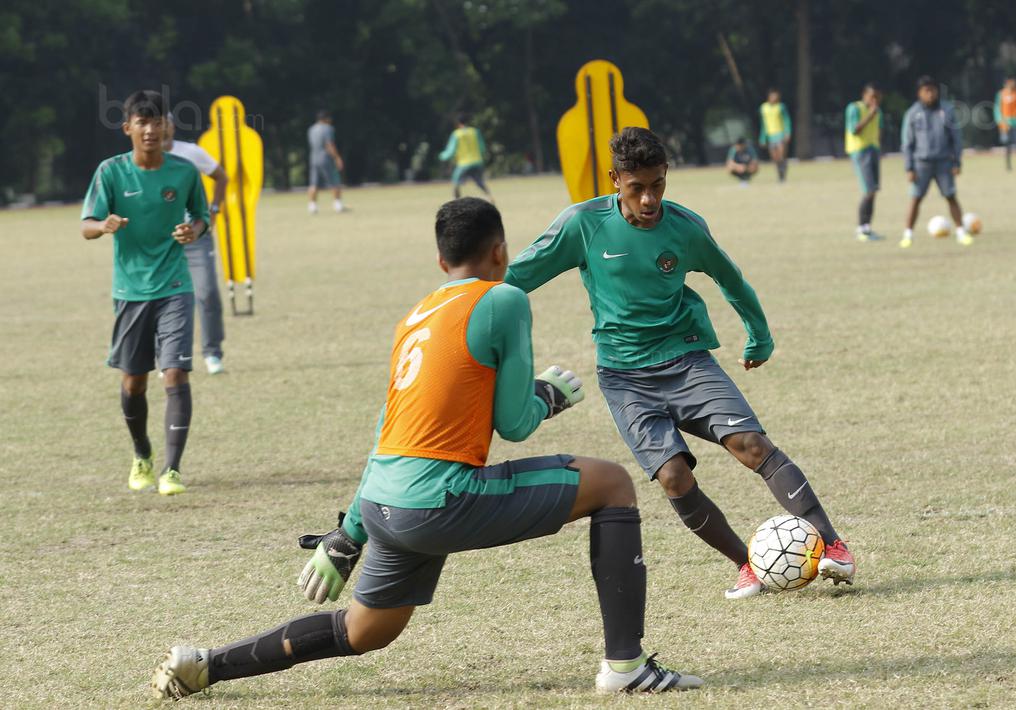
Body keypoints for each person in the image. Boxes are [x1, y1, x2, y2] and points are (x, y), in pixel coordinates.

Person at [150, 198, 702, 699]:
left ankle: (208, 664)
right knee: (613, 484)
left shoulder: (412, 317)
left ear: (441, 262)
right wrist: (548, 396)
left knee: (366, 631)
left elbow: (387, 434)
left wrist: (350, 534)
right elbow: (514, 423)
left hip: (386, 503)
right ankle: (627, 668)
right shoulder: (504, 298)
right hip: (439, 498)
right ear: (501, 251)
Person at [503, 127, 856, 601]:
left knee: (750, 444)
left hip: (686, 361)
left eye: (658, 185)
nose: (650, 199)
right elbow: (516, 277)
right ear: (615, 180)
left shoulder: (685, 227)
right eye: (637, 188)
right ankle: (747, 567)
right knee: (672, 477)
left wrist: (760, 335)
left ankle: (833, 544)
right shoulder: (582, 225)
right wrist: (469, 309)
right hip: (624, 378)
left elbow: (730, 278)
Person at [80, 90, 209, 496]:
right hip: (131, 290)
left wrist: (194, 230)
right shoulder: (111, 172)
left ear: (168, 127)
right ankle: (142, 455)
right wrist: (104, 226)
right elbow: (86, 224)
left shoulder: (184, 172)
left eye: (158, 122)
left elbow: (203, 217)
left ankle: (172, 470)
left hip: (175, 285)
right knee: (134, 382)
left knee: (175, 372)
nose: (151, 130)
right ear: (128, 129)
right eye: (143, 122)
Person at [162, 116, 228, 375]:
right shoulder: (143, 158)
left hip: (196, 236)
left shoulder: (189, 152)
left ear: (172, 126)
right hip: (162, 241)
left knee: (207, 292)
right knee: (164, 300)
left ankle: (212, 352)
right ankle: (168, 355)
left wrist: (213, 209)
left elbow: (221, 176)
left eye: (164, 122)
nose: (160, 128)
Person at [900, 76, 972, 248]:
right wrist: (909, 167)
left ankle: (961, 232)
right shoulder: (912, 113)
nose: (930, 94)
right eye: (926, 91)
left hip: (943, 162)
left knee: (951, 196)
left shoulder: (946, 110)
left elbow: (956, 138)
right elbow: (907, 143)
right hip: (921, 163)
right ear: (919, 93)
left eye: (933, 90)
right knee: (915, 198)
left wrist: (957, 162)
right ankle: (907, 234)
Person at [845, 83, 884, 241]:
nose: (874, 99)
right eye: (871, 96)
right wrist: (869, 115)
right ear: (864, 95)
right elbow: (854, 129)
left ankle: (867, 228)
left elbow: (879, 130)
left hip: (873, 150)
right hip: (860, 151)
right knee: (868, 190)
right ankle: (860, 228)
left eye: (877, 97)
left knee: (873, 191)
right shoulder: (854, 108)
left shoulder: (878, 111)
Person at [438, 113, 492, 201]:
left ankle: (456, 200)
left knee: (456, 183)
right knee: (479, 181)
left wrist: (442, 156)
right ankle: (489, 196)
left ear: (458, 123)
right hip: (477, 162)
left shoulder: (457, 134)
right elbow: (482, 148)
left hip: (464, 164)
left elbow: (451, 151)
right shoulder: (475, 132)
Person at [307, 110, 345, 214]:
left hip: (313, 158)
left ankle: (312, 206)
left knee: (313, 183)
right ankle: (338, 205)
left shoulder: (311, 129)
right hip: (325, 158)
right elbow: (329, 145)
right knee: (334, 181)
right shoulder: (328, 129)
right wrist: (337, 158)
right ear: (326, 118)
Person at [994, 77, 1016, 171]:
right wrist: (1000, 122)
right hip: (1006, 124)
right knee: (1007, 144)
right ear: (1006, 83)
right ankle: (1008, 165)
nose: (1013, 84)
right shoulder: (1001, 94)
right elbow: (997, 109)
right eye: (1011, 82)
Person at [759, 88, 792, 182]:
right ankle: (779, 175)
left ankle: (783, 175)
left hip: (780, 134)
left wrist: (788, 132)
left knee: (782, 156)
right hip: (770, 136)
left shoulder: (781, 107)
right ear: (769, 97)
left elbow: (786, 120)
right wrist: (762, 138)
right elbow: (763, 124)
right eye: (772, 96)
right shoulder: (763, 108)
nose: (774, 98)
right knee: (775, 158)